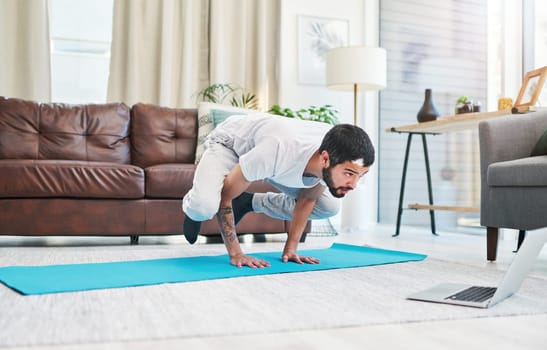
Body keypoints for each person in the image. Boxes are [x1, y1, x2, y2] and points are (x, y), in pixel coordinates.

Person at [182, 112, 374, 268]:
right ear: (325, 159)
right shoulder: (278, 149)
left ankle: (249, 202)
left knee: (328, 206)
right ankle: (193, 205)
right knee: (204, 207)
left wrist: (291, 249)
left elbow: (307, 199)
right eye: (349, 174)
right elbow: (225, 198)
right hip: (231, 144)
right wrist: (236, 254)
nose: (353, 184)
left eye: (360, 175)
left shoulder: (331, 155)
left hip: (274, 160)